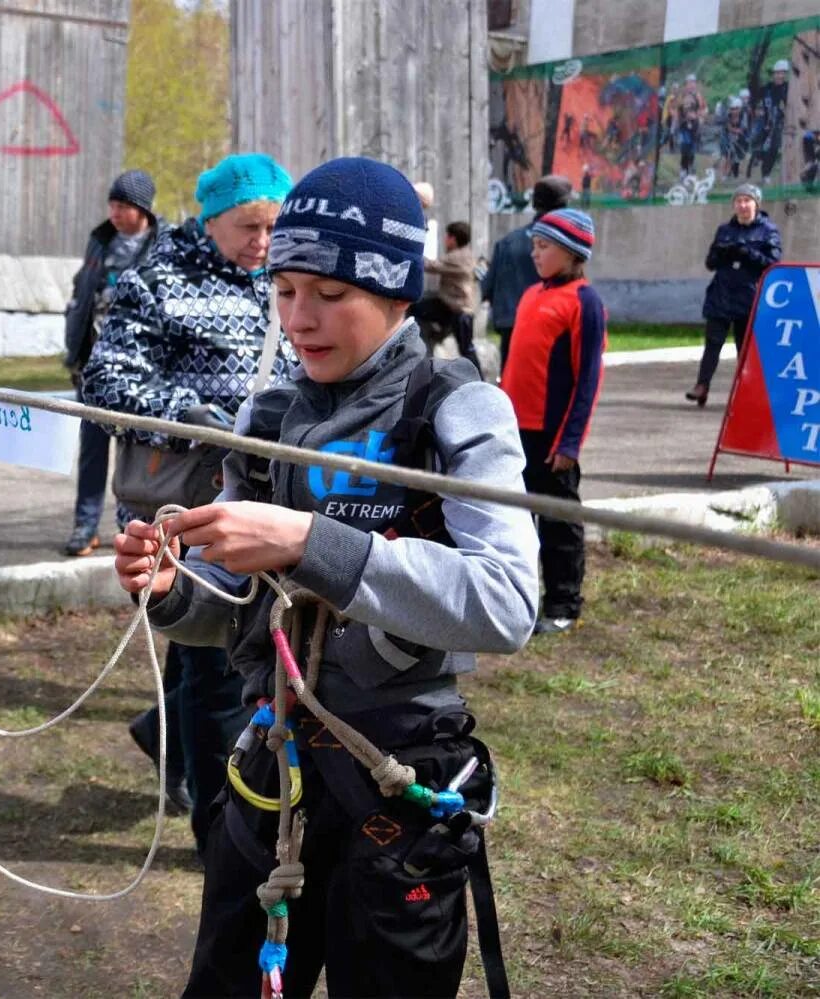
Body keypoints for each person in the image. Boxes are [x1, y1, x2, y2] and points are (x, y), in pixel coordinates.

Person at [112, 157, 538, 998]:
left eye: (330, 294)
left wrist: (311, 539)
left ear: (395, 293)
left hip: (400, 777)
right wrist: (171, 590)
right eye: (284, 289)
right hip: (271, 764)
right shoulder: (267, 417)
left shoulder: (455, 405)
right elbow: (230, 604)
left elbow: (508, 601)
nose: (300, 319)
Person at [83, 151, 294, 852]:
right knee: (219, 664)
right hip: (190, 509)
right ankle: (221, 834)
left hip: (273, 499)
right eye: (247, 227)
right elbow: (104, 383)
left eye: (273, 226)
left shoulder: (289, 284)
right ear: (209, 221)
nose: (261, 243)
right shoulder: (155, 282)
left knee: (210, 654)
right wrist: (190, 415)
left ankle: (159, 733)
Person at [500, 209, 605, 636]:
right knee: (516, 521)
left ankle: (563, 603)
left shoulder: (584, 301)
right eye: (535, 245)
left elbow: (588, 379)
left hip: (552, 436)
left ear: (571, 253)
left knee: (559, 522)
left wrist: (570, 442)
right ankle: (518, 598)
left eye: (544, 247)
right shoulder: (530, 295)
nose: (535, 253)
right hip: (515, 430)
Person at [62, 170, 164, 557]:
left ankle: (143, 532)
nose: (116, 213)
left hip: (144, 370)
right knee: (92, 450)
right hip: (95, 366)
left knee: (142, 455)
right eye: (113, 204)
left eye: (124, 206)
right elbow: (81, 295)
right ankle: (85, 526)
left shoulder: (163, 245)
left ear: (142, 208)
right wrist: (75, 351)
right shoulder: (100, 241)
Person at [686, 184, 782, 407]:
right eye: (738, 201)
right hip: (721, 295)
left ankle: (745, 391)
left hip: (748, 298)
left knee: (745, 348)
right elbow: (710, 263)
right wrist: (722, 252)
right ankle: (702, 386)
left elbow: (774, 264)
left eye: (747, 200)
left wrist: (747, 252)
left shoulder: (768, 231)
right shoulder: (724, 230)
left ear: (756, 204)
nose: (742, 205)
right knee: (712, 343)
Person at [481, 175, 572, 366]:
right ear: (563, 207)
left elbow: (487, 288)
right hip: (549, 331)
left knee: (511, 388)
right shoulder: (565, 248)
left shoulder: (506, 242)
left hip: (510, 327)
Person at [418, 220, 481, 372]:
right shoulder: (465, 254)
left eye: (447, 236)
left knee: (467, 349)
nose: (445, 240)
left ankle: (479, 380)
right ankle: (438, 334)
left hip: (460, 311)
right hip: (451, 307)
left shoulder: (457, 257)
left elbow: (430, 266)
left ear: (453, 239)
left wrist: (411, 252)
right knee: (419, 308)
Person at [747, 59, 790, 184]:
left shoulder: (788, 88)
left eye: (782, 73)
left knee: (774, 149)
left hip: (778, 123)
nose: (779, 76)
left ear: (785, 75)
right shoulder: (767, 88)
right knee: (756, 142)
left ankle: (765, 174)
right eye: (777, 73)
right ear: (773, 74)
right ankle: (755, 158)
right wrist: (754, 108)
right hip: (764, 121)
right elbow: (754, 96)